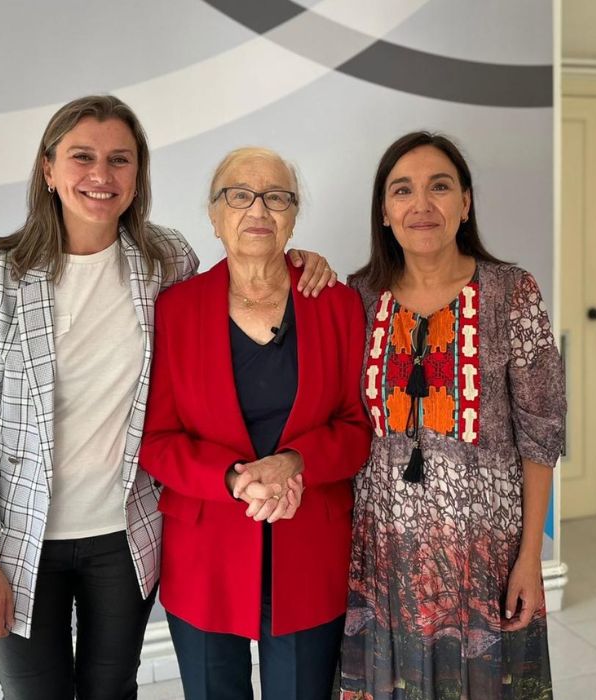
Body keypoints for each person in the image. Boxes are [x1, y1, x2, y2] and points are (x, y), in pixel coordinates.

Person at [0, 96, 336, 700]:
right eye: (82, 157)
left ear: (138, 175)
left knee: (112, 692)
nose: (101, 176)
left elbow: (241, 275)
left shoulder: (164, 260)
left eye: (119, 160)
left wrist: (298, 259)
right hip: (22, 539)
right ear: (48, 170)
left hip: (124, 536)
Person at [139, 147, 372, 700]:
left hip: (310, 545)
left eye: (277, 197)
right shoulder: (175, 308)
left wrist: (296, 461)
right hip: (205, 553)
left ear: (293, 215)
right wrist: (233, 477)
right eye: (239, 196)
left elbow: (357, 428)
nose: (258, 210)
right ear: (214, 215)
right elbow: (158, 441)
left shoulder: (337, 304)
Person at [339, 132, 566, 699]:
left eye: (440, 187)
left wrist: (530, 559)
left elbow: (541, 435)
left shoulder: (512, 292)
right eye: (403, 191)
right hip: (381, 556)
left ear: (465, 204)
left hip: (486, 557)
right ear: (384, 212)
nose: (422, 205)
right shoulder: (357, 298)